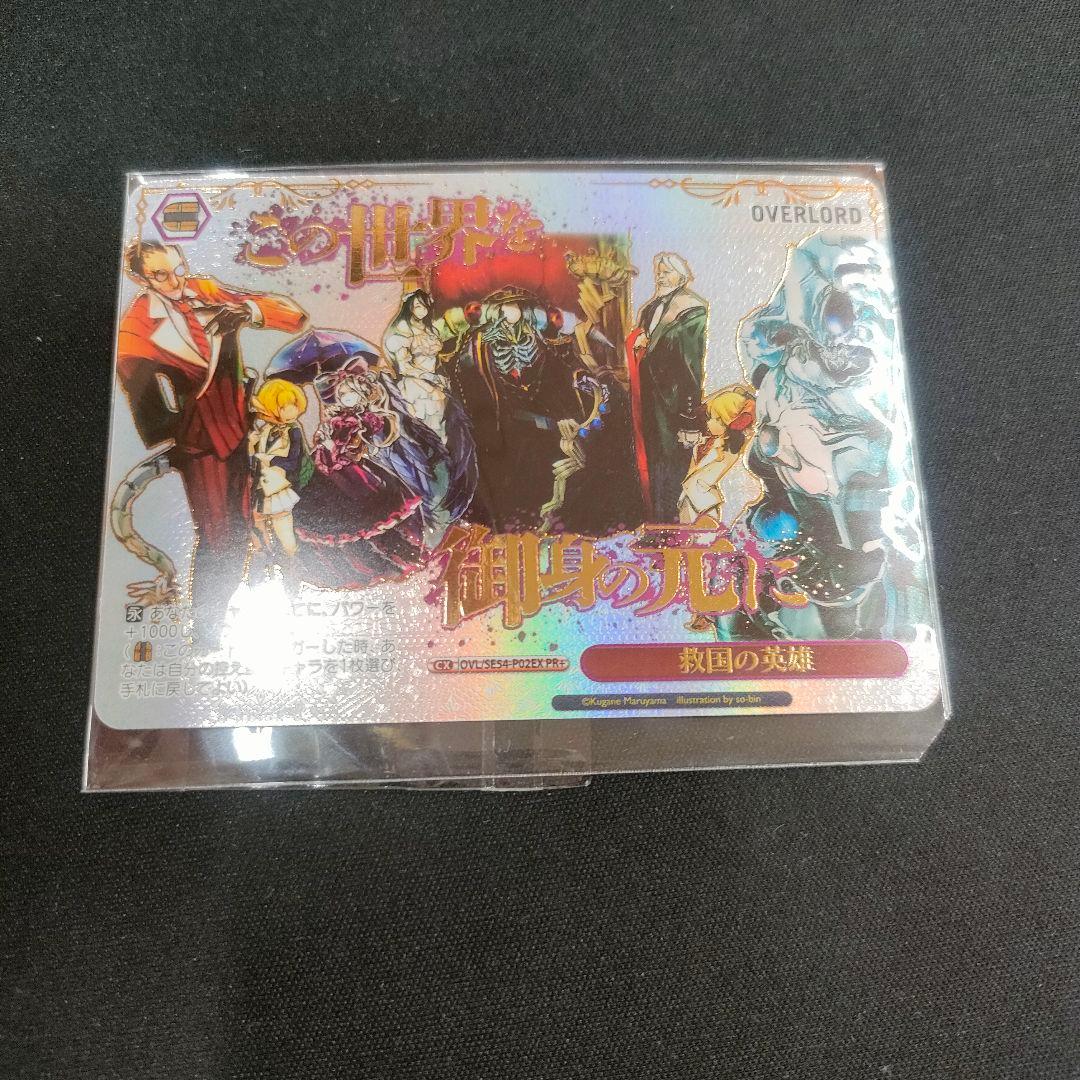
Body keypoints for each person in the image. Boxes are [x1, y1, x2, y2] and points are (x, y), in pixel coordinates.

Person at [116, 238, 307, 646]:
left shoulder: (204, 290)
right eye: (160, 276)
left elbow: (294, 316)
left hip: (243, 433)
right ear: (140, 278)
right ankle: (206, 634)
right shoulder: (138, 324)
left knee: (245, 532)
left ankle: (231, 625)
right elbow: (137, 386)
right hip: (202, 445)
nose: (175, 282)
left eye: (178, 270)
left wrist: (246, 309)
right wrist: (178, 429)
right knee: (219, 539)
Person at [446, 286, 633, 534]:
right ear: (496, 310)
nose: (513, 311)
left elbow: (561, 365)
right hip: (500, 416)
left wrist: (580, 377)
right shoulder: (479, 342)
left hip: (539, 411)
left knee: (555, 453)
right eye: (506, 307)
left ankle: (548, 515)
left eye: (517, 306)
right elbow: (466, 376)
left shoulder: (537, 336)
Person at [292, 361, 428, 588]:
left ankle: (398, 559)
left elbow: (358, 445)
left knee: (371, 515)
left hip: (352, 473)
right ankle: (357, 566)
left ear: (362, 393)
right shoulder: (336, 417)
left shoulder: (362, 420)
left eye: (350, 393)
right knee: (334, 516)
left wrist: (333, 444)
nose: (345, 397)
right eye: (342, 394)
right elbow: (327, 440)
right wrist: (324, 438)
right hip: (327, 470)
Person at [625, 252, 708, 522]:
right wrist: (640, 342)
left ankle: (670, 527)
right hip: (648, 405)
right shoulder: (650, 309)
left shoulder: (692, 310)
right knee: (652, 468)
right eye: (658, 272)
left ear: (681, 276)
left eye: (666, 272)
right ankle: (655, 523)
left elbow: (692, 368)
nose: (660, 276)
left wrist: (689, 418)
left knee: (672, 472)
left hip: (674, 408)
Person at [248, 378, 311, 563]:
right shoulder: (266, 430)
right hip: (261, 486)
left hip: (280, 486)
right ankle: (264, 555)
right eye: (283, 407)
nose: (291, 411)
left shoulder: (294, 431)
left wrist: (270, 459)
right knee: (256, 520)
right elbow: (254, 459)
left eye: (293, 405)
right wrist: (251, 445)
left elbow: (293, 461)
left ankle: (292, 559)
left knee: (282, 524)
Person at [677, 385, 756, 525]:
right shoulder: (704, 444)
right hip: (688, 501)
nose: (709, 423)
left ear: (726, 424)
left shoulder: (728, 452)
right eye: (709, 418)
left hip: (704, 505)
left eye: (716, 419)